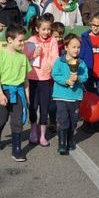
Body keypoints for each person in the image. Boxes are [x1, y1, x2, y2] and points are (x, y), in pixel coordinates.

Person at [0, 25, 32, 162]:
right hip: (5, 92)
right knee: (0, 120)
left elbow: (26, 79)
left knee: (17, 121)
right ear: (10, 40)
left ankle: (17, 149)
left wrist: (27, 96)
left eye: (24, 40)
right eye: (20, 41)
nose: (23, 43)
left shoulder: (23, 57)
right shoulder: (1, 55)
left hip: (19, 92)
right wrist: (1, 94)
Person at [23, 14, 59, 146]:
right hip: (32, 79)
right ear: (37, 29)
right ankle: (33, 130)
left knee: (44, 107)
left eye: (48, 29)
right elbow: (24, 58)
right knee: (33, 106)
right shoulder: (31, 40)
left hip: (46, 79)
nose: (46, 32)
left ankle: (43, 134)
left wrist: (51, 64)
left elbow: (55, 56)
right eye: (43, 29)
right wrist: (33, 54)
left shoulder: (53, 41)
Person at [51, 33, 89, 155]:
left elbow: (85, 76)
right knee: (63, 120)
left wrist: (78, 78)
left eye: (78, 47)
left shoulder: (81, 63)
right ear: (66, 47)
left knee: (73, 121)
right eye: (73, 47)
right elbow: (55, 74)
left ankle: (70, 139)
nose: (76, 50)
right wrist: (66, 81)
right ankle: (62, 143)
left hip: (75, 97)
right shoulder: (59, 61)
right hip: (61, 96)